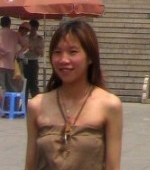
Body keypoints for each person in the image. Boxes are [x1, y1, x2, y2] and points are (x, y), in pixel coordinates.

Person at [24, 18, 123, 170]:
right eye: (57, 52)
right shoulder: (37, 105)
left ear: (90, 57)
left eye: (73, 52)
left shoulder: (109, 105)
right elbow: (30, 165)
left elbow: (113, 167)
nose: (64, 60)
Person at [0, 14, 22, 99]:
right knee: (11, 87)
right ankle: (13, 107)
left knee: (2, 87)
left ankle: (2, 108)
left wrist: (3, 52)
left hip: (1, 64)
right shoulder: (15, 34)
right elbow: (26, 45)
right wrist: (17, 52)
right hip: (11, 65)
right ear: (10, 24)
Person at [22, 19, 44, 99]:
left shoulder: (39, 39)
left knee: (34, 84)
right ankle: (24, 105)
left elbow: (42, 53)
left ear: (37, 29)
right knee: (24, 84)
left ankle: (37, 102)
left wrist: (33, 48)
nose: (32, 31)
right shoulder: (25, 37)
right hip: (25, 61)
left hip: (33, 62)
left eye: (34, 29)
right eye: (31, 29)